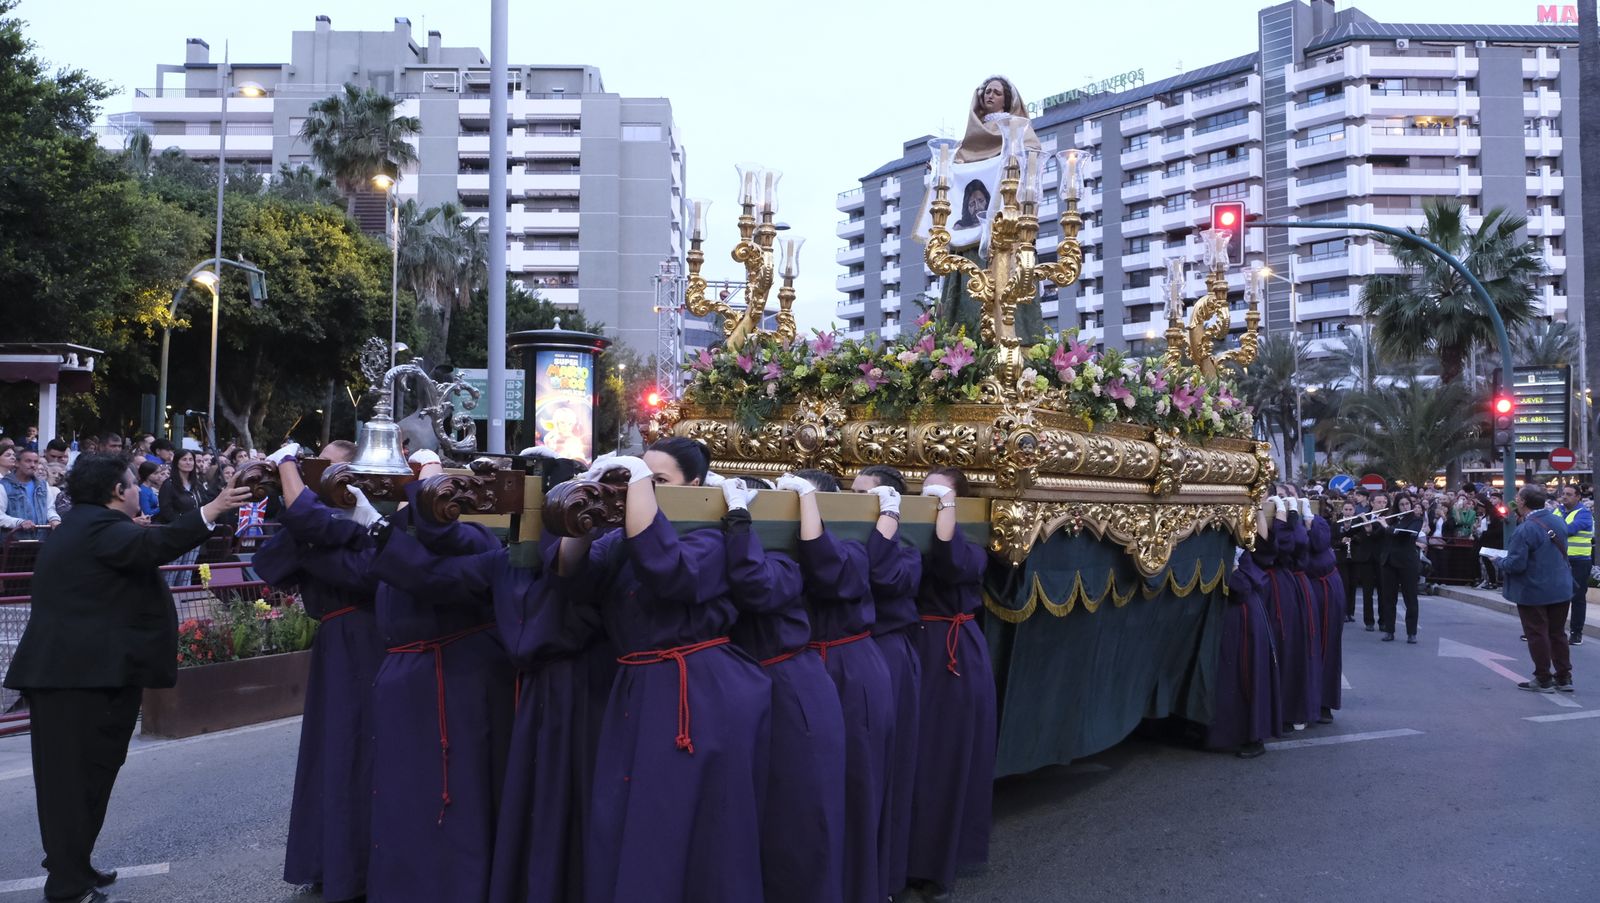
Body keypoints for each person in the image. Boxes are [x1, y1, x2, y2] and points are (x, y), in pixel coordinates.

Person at [2, 454, 249, 903]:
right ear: (118, 491)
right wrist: (211, 510)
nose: (138, 490)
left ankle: (74, 864)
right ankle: (67, 885)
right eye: (134, 483)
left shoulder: (87, 526)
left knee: (88, 778)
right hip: (77, 681)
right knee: (72, 785)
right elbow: (153, 547)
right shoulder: (98, 528)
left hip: (85, 676)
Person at [555, 439, 771, 903]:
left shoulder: (712, 536)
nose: (645, 490)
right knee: (630, 810)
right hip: (638, 684)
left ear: (694, 487)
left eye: (660, 482)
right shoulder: (622, 539)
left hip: (694, 688)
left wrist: (636, 484)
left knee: (682, 816)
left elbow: (669, 572)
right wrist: (587, 504)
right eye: (641, 478)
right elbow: (573, 576)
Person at [250, 442, 388, 903]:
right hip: (336, 643)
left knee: (361, 749)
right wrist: (311, 538)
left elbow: (365, 573)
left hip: (367, 638)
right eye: (312, 469)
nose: (317, 476)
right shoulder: (317, 523)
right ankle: (328, 862)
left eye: (326, 468)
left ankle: (361, 868)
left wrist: (315, 539)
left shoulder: (368, 515)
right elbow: (267, 564)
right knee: (331, 753)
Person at [721, 475, 847, 903]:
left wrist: (739, 524)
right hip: (744, 686)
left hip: (791, 685)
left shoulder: (785, 559)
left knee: (798, 807)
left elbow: (758, 587)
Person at [782, 467, 895, 903]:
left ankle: (859, 886)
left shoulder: (853, 539)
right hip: (803, 668)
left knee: (857, 782)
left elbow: (834, 576)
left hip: (849, 666)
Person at [904, 466, 996, 903]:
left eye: (938, 492)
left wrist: (946, 507)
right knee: (911, 755)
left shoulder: (972, 544)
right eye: (923, 491)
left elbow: (951, 559)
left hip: (952, 654)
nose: (928, 497)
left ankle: (933, 864)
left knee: (942, 756)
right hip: (917, 645)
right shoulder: (908, 528)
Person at [851, 464, 924, 900]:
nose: (853, 500)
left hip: (887, 653)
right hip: (848, 656)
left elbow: (884, 577)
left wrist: (888, 525)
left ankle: (882, 875)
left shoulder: (908, 547)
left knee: (882, 766)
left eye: (865, 495)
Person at [1206, 493, 1283, 758]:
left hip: (1245, 617)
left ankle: (1253, 734)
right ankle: (1225, 731)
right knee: (1228, 677)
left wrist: (1234, 567)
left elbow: (1243, 585)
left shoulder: (1244, 550)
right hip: (1232, 617)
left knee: (1247, 675)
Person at [1501, 485, 1575, 693]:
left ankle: (1543, 678)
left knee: (1537, 634)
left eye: (1518, 497)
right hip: (1561, 587)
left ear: (1523, 502)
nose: (1516, 500)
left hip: (1534, 591)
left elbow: (1516, 564)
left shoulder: (1525, 529)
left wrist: (1499, 561)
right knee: (1557, 633)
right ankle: (1564, 677)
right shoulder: (1558, 520)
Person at [1306, 495, 1345, 722]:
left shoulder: (1317, 522)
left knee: (1327, 646)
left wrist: (1306, 521)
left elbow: (1319, 543)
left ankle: (1324, 702)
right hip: (1298, 586)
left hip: (1324, 587)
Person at [157, 449, 207, 587]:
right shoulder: (169, 484)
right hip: (176, 533)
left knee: (187, 572)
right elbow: (166, 510)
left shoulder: (197, 484)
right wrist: (182, 523)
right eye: (184, 459)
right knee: (172, 570)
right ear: (176, 462)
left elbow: (204, 504)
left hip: (195, 533)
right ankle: (167, 601)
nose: (188, 462)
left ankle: (183, 603)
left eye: (191, 459)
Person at [1556, 484, 1592, 645]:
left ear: (1578, 497)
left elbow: (1570, 529)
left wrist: (1551, 529)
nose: (1565, 497)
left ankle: (1576, 633)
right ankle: (1554, 630)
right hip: (1558, 560)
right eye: (1563, 493)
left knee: (1577, 597)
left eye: (1569, 494)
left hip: (1579, 561)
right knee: (1555, 595)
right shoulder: (1557, 511)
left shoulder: (1584, 514)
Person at [2, 448, 60, 540]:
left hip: (40, 543)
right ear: (17, 463)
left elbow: (49, 509)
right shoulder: (3, 485)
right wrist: (19, 522)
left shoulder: (43, 485)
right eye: (28, 461)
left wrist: (54, 519)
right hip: (13, 546)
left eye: (36, 462)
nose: (33, 465)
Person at [1346, 489, 1381, 629]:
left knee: (1383, 591)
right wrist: (1348, 524)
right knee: (1367, 592)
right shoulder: (1363, 516)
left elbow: (1374, 532)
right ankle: (1369, 622)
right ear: (1372, 503)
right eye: (1379, 502)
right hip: (1366, 558)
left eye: (1384, 502)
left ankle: (1383, 621)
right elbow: (1350, 531)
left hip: (1381, 558)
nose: (1381, 504)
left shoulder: (1388, 518)